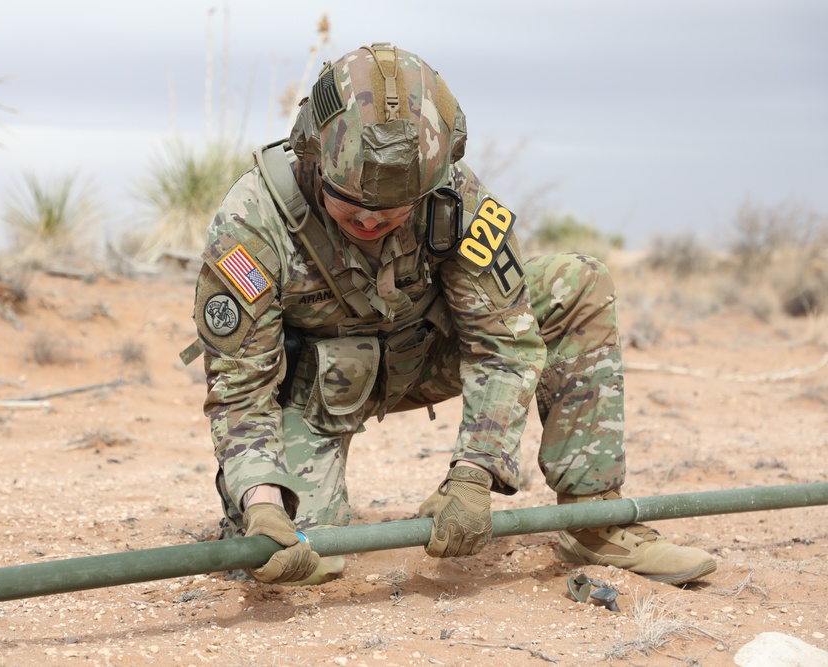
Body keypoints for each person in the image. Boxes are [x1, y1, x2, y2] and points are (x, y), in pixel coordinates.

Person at [183, 42, 716, 586]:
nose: (369, 223)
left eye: (392, 211)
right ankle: (255, 509)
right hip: (315, 393)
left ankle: (594, 518)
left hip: (426, 355)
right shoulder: (253, 220)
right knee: (299, 559)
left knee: (574, 283)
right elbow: (240, 389)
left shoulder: (456, 199)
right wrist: (262, 497)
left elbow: (503, 344)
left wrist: (473, 475)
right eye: (350, 204)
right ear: (313, 157)